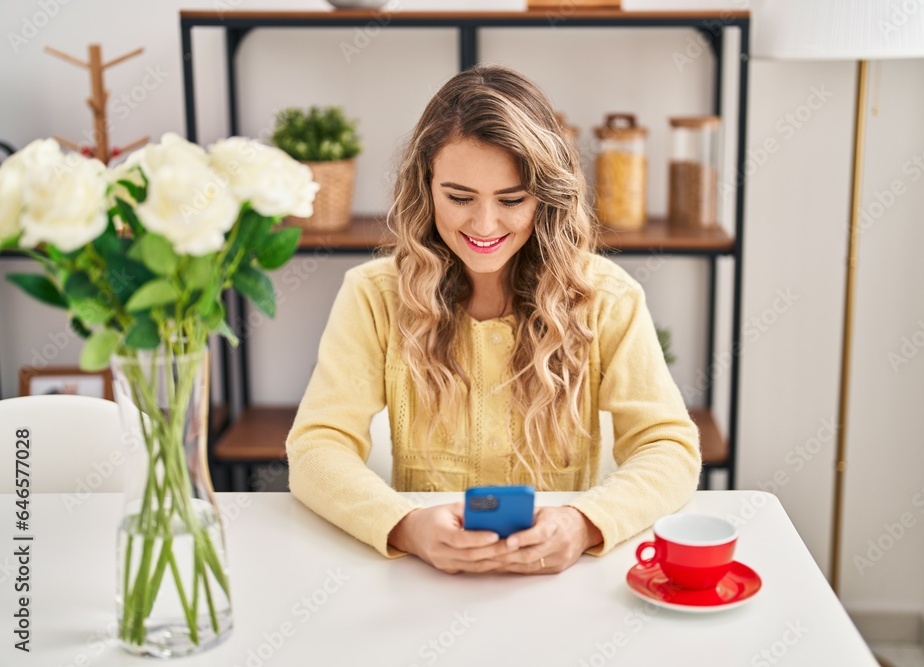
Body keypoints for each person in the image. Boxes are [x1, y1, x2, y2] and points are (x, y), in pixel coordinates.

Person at [286, 65, 700, 575]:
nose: (484, 225)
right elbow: (315, 448)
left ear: (545, 197)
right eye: (459, 198)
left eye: (512, 200)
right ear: (426, 185)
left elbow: (669, 448)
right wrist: (404, 525)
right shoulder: (373, 297)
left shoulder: (607, 298)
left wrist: (584, 522)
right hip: (422, 579)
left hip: (560, 584)